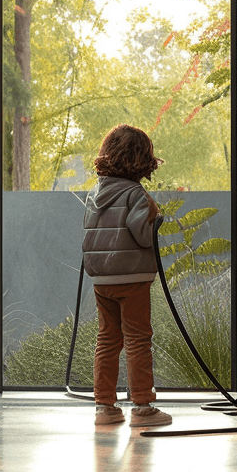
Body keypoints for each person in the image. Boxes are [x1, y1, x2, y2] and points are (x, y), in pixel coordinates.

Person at [82, 124, 172, 428]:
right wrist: (157, 219)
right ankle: (143, 407)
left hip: (101, 279)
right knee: (137, 338)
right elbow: (145, 236)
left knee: (107, 338)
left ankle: (103, 407)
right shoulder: (136, 194)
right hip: (132, 277)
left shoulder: (94, 194)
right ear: (142, 160)